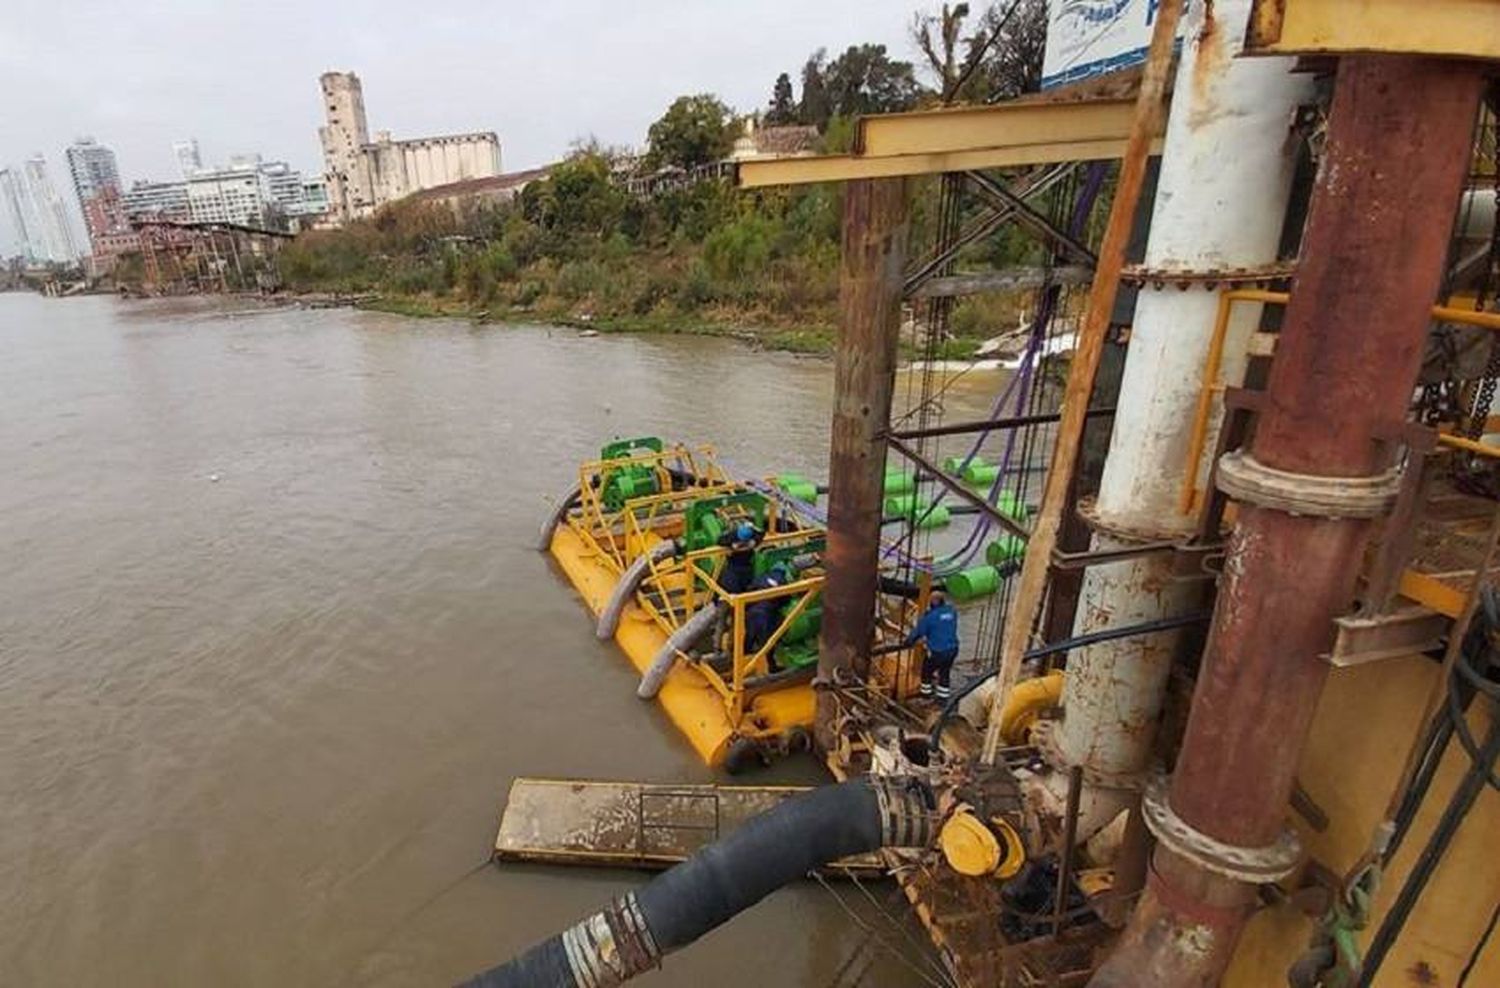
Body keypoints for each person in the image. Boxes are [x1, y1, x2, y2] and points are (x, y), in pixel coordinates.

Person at [904, 591, 959, 702]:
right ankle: (943, 699)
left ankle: (926, 694)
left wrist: (908, 641)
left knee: (926, 670)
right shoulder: (952, 612)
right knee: (944, 672)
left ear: (932, 603)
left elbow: (918, 632)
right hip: (953, 649)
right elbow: (943, 623)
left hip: (938, 651)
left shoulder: (929, 617)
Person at [743, 562, 793, 665]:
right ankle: (771, 667)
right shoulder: (782, 581)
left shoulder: (762, 576)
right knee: (768, 641)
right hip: (766, 615)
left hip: (752, 611)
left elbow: (749, 589)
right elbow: (786, 599)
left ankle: (741, 661)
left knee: (749, 636)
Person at [717, 518, 762, 595]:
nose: (743, 542)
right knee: (732, 584)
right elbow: (720, 540)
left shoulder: (752, 533)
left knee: (746, 582)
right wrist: (731, 546)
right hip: (734, 564)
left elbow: (761, 534)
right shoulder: (732, 536)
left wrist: (755, 541)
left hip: (747, 563)